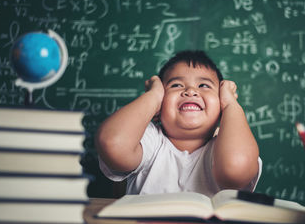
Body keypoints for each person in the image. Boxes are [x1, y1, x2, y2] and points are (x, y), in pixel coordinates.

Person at [96, 50, 262, 197]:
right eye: (176, 85)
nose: (190, 91)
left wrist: (231, 104)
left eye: (204, 85)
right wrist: (153, 95)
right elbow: (112, 143)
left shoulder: (225, 147)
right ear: (158, 106)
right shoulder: (150, 141)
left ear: (220, 104)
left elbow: (235, 169)